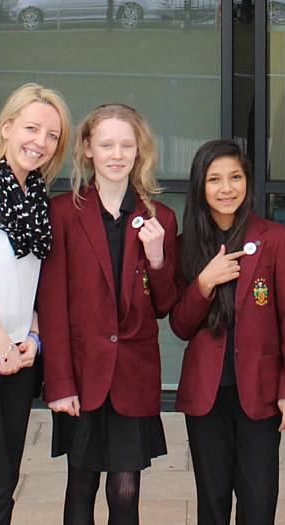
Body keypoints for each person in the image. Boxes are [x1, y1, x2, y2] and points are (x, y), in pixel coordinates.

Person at [37, 104, 177, 525]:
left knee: (126, 492)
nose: (117, 154)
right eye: (107, 145)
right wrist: (58, 383)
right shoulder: (62, 213)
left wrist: (157, 257)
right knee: (80, 487)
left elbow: (165, 305)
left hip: (133, 376)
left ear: (140, 151)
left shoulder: (160, 217)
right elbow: (52, 305)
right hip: (82, 376)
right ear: (88, 149)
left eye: (126, 145)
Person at [169, 139, 285, 525]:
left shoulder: (275, 239)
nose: (226, 188)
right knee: (212, 501)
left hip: (260, 393)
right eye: (214, 179)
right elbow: (179, 325)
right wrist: (203, 284)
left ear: (248, 183)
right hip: (206, 395)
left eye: (235, 177)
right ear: (200, 186)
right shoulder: (186, 244)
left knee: (259, 500)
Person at [0, 83, 70, 524]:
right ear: (5, 128)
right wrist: (1, 341)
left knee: (2, 488)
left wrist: (34, 338)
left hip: (16, 362)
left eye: (51, 135)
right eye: (31, 128)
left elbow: (34, 284)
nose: (39, 142)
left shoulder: (37, 197)